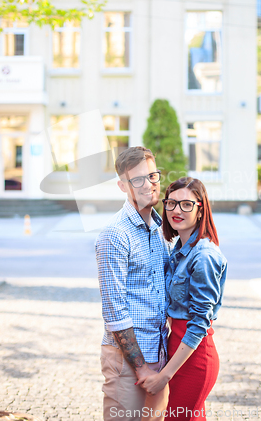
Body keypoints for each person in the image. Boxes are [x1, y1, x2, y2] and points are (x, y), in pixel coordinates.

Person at [137, 177, 227, 421]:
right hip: (177, 352)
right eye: (171, 203)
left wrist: (164, 375)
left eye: (186, 204)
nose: (176, 210)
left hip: (195, 359)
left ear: (200, 209)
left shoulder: (204, 256)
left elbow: (199, 324)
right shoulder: (179, 249)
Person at [95, 146, 169, 421]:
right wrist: (141, 369)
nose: (148, 184)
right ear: (122, 186)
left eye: (152, 176)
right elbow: (114, 312)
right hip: (129, 364)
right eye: (137, 179)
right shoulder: (115, 235)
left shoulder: (160, 229)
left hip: (158, 357)